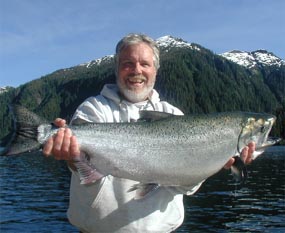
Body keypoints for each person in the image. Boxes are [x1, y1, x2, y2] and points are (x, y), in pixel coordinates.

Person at [43, 33, 255, 233]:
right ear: (117, 70)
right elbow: (81, 167)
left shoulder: (173, 115)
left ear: (155, 70)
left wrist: (215, 159)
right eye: (128, 64)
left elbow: (186, 187)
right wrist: (71, 158)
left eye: (145, 64)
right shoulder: (93, 109)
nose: (137, 70)